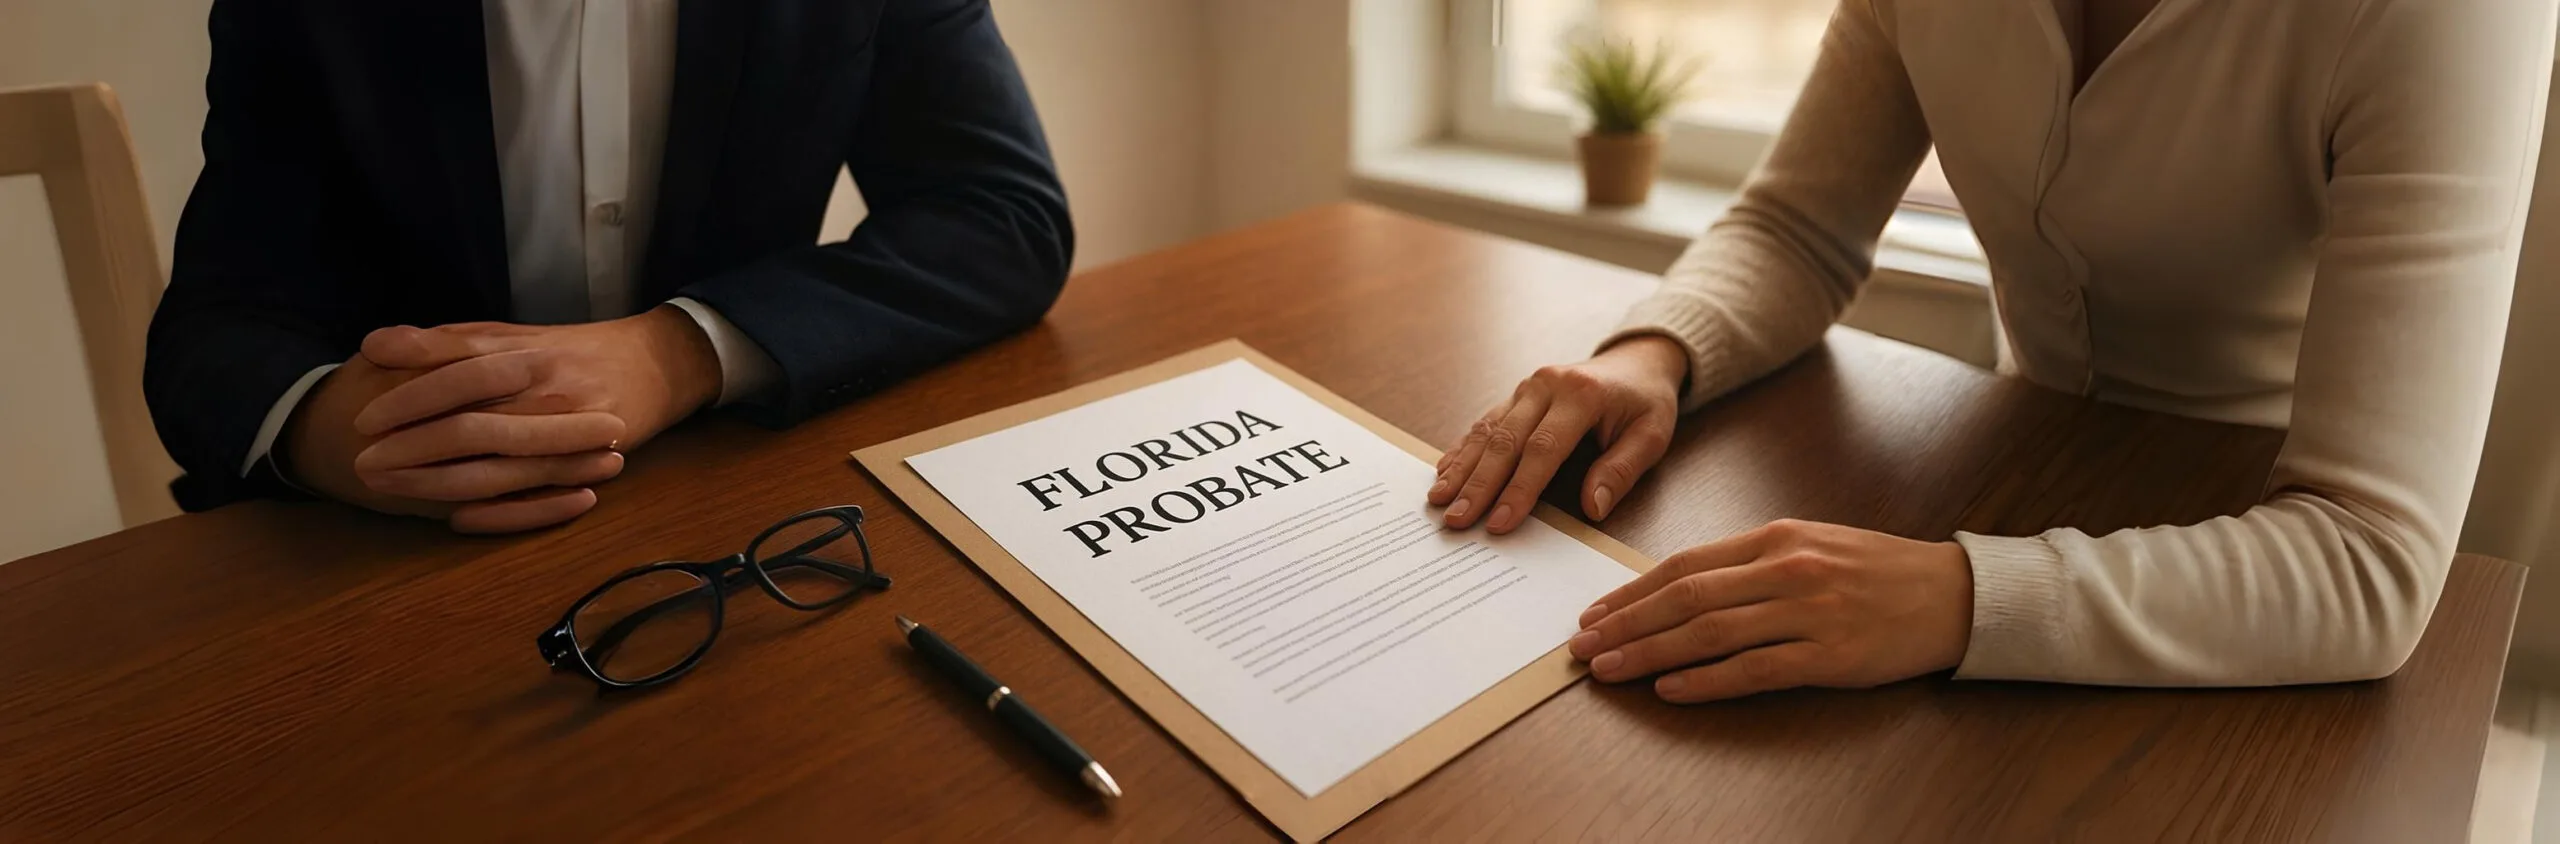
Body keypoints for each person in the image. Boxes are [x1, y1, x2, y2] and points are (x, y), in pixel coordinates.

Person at [1435, 0, 2555, 702]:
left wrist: (1954, 596)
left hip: (2251, 565)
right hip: (2013, 471)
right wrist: (1651, 353)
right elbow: (1795, 227)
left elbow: (2366, 560)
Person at [145, 0, 1071, 533]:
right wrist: (322, 428)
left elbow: (1004, 218)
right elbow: (214, 328)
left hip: (736, 519)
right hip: (383, 561)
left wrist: (682, 354)